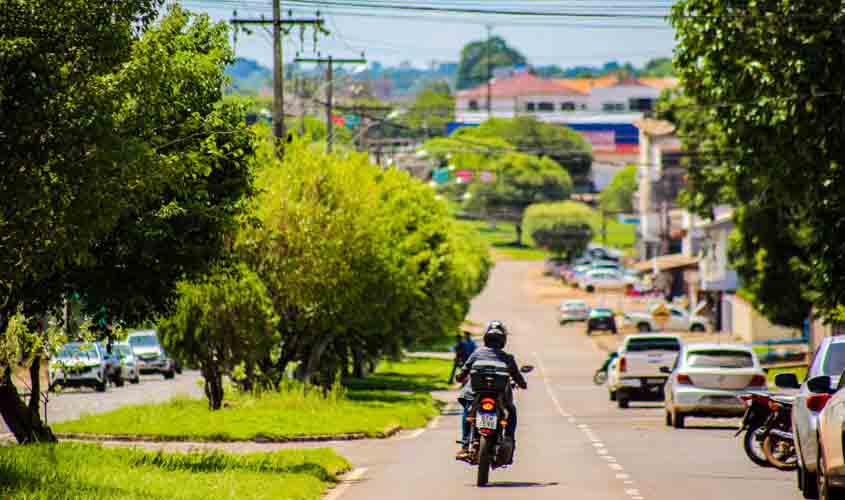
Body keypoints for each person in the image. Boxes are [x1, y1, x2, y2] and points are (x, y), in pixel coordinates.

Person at [455, 320, 527, 459]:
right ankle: (509, 438)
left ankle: (465, 445)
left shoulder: (476, 353)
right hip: (498, 395)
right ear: (503, 340)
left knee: (468, 411)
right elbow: (517, 376)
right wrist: (523, 384)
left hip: (475, 394)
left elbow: (463, 372)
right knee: (511, 410)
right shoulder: (507, 358)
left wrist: (459, 377)